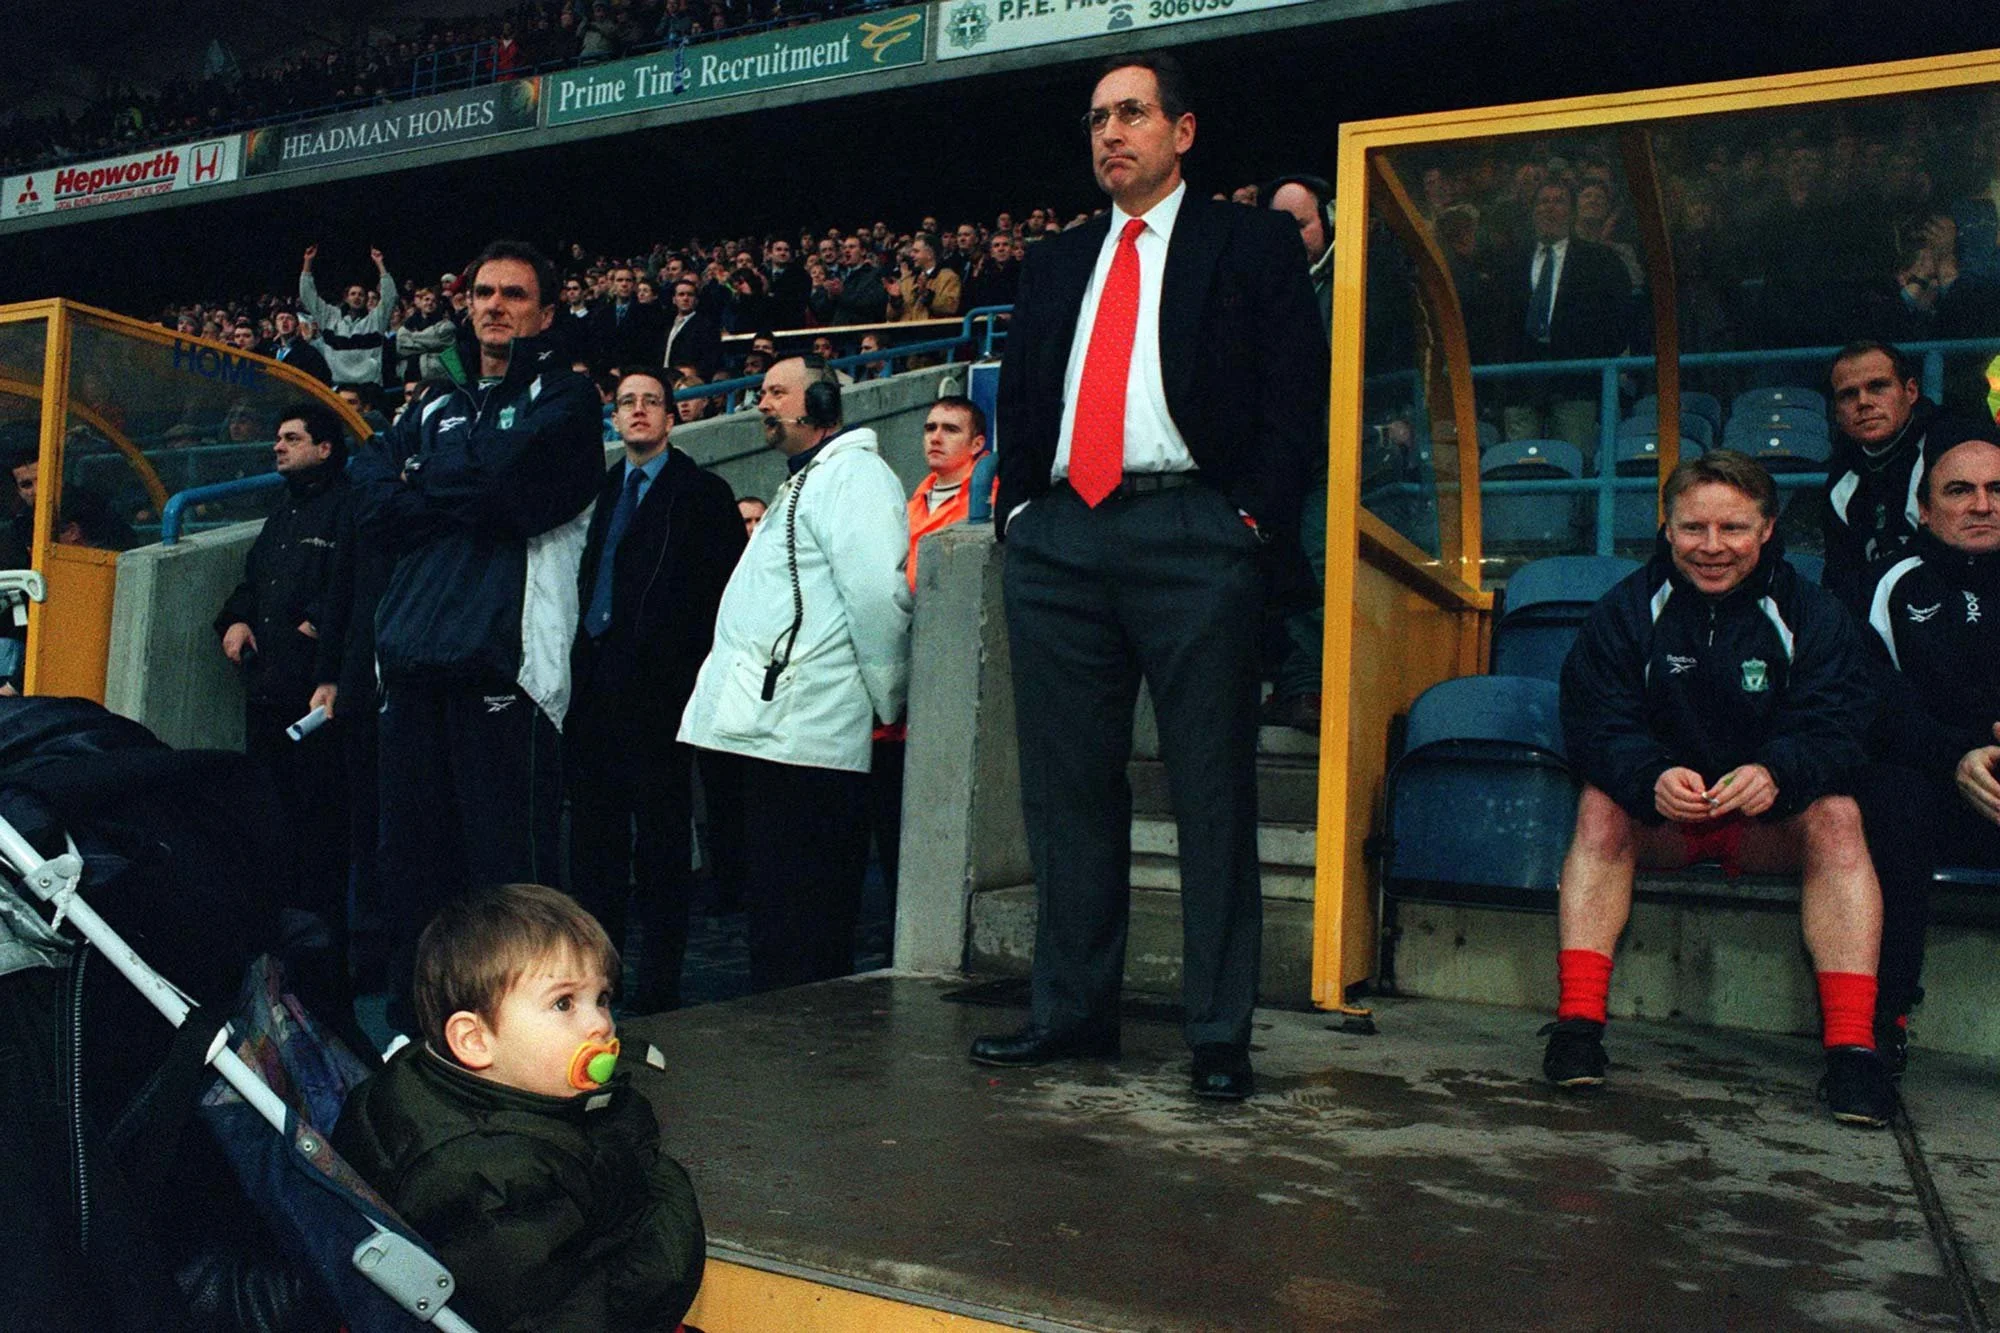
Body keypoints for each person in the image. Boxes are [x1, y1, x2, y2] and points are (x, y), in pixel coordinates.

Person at [971, 53, 1327, 1102]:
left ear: (1181, 131)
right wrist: (1017, 515)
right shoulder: (1053, 260)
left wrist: (1247, 520)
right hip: (1060, 540)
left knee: (1208, 787)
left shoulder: (1248, 241)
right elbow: (1027, 397)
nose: (1108, 133)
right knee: (1066, 789)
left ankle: (1217, 1033)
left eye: (1130, 113)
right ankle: (1071, 1013)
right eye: (1095, 119)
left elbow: (1292, 399)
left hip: (1193, 531)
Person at [1544, 450, 1894, 1126]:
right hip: (1666, 819)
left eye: (1732, 528)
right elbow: (1593, 718)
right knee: (1598, 806)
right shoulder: (1627, 609)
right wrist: (1648, 774)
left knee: (1840, 817)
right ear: (1667, 528)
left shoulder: (1811, 613)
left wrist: (1778, 772)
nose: (1710, 548)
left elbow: (1844, 720)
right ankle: (1577, 1030)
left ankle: (1853, 1052)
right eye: (1692, 528)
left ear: (1766, 529)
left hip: (1766, 820)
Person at [351, 239, 603, 1037]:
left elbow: (508, 491)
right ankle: (417, 1038)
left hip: (509, 671)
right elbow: (370, 498)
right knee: (414, 880)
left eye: (515, 295)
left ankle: (535, 1039)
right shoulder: (429, 400)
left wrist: (422, 480)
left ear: (547, 311)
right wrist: (444, 479)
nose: (495, 305)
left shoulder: (566, 397)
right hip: (415, 668)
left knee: (512, 885)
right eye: (484, 292)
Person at [332, 883, 705, 1333]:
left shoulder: (422, 1079)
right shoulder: (485, 1177)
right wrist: (667, 1196)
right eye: (564, 1003)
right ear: (474, 1040)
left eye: (602, 997)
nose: (600, 1023)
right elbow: (575, 1317)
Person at [678, 356, 911, 992]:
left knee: (806, 914)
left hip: (812, 728)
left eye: (777, 392)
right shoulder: (810, 478)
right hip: (783, 728)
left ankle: (810, 1045)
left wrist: (889, 700)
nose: (762, 403)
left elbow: (877, 597)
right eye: (760, 391)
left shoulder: (856, 475)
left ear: (824, 403)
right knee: (780, 910)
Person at [568, 373, 744, 1012]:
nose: (638, 411)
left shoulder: (700, 492)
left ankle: (662, 982)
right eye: (626, 403)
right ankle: (600, 980)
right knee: (597, 848)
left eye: (650, 402)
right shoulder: (607, 488)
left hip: (659, 696)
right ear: (614, 419)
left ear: (672, 416)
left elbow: (719, 598)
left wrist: (686, 677)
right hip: (597, 692)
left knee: (662, 845)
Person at [1862, 413, 2000, 1069]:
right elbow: (1876, 701)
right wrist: (1958, 755)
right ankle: (1881, 1020)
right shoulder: (1893, 583)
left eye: (1997, 488)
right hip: (1933, 785)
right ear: (1923, 507)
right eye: (1959, 490)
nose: (1981, 504)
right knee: (1891, 796)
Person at [215, 401, 357, 1018]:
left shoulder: (350, 509)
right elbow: (251, 582)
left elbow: (356, 587)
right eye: (277, 436)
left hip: (317, 705)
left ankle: (325, 971)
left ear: (325, 448)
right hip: (267, 699)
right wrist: (237, 618)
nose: (278, 446)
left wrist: (318, 625)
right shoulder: (278, 519)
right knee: (269, 830)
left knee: (321, 835)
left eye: (291, 437)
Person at [1493, 182, 1632, 463]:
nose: (1549, 208)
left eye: (1558, 201)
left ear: (1571, 211)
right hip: (1521, 383)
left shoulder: (1599, 261)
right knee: (1521, 466)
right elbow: (1495, 323)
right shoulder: (1509, 263)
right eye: (1543, 201)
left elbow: (1618, 322)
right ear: (1532, 211)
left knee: (1573, 461)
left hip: (1576, 382)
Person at [1822, 339, 1939, 615]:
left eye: (1877, 387)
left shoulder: (1949, 453)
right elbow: (1841, 580)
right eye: (1849, 395)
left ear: (1910, 391)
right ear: (1838, 413)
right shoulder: (1842, 480)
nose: (1863, 402)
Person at [298, 244, 397, 389]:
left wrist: (380, 264)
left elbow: (390, 297)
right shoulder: (330, 317)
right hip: (339, 387)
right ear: (345, 298)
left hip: (369, 387)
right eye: (353, 294)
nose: (357, 297)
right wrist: (308, 262)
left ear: (366, 299)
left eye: (361, 294)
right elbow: (308, 296)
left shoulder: (376, 320)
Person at [589, 265, 667, 374]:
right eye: (620, 280)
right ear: (613, 284)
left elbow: (648, 349)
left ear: (634, 285)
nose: (624, 284)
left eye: (628, 280)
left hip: (636, 372)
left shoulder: (648, 313)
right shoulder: (601, 313)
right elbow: (596, 346)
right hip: (606, 373)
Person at [662, 278, 723, 380]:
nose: (685, 298)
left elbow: (710, 360)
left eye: (690, 295)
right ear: (674, 300)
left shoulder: (706, 326)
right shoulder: (666, 325)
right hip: (665, 379)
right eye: (681, 294)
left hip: (689, 382)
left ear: (696, 300)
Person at [270, 309, 332, 386]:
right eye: (281, 318)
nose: (285, 321)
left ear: (296, 326)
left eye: (289, 318)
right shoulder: (269, 350)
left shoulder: (309, 352)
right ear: (275, 325)